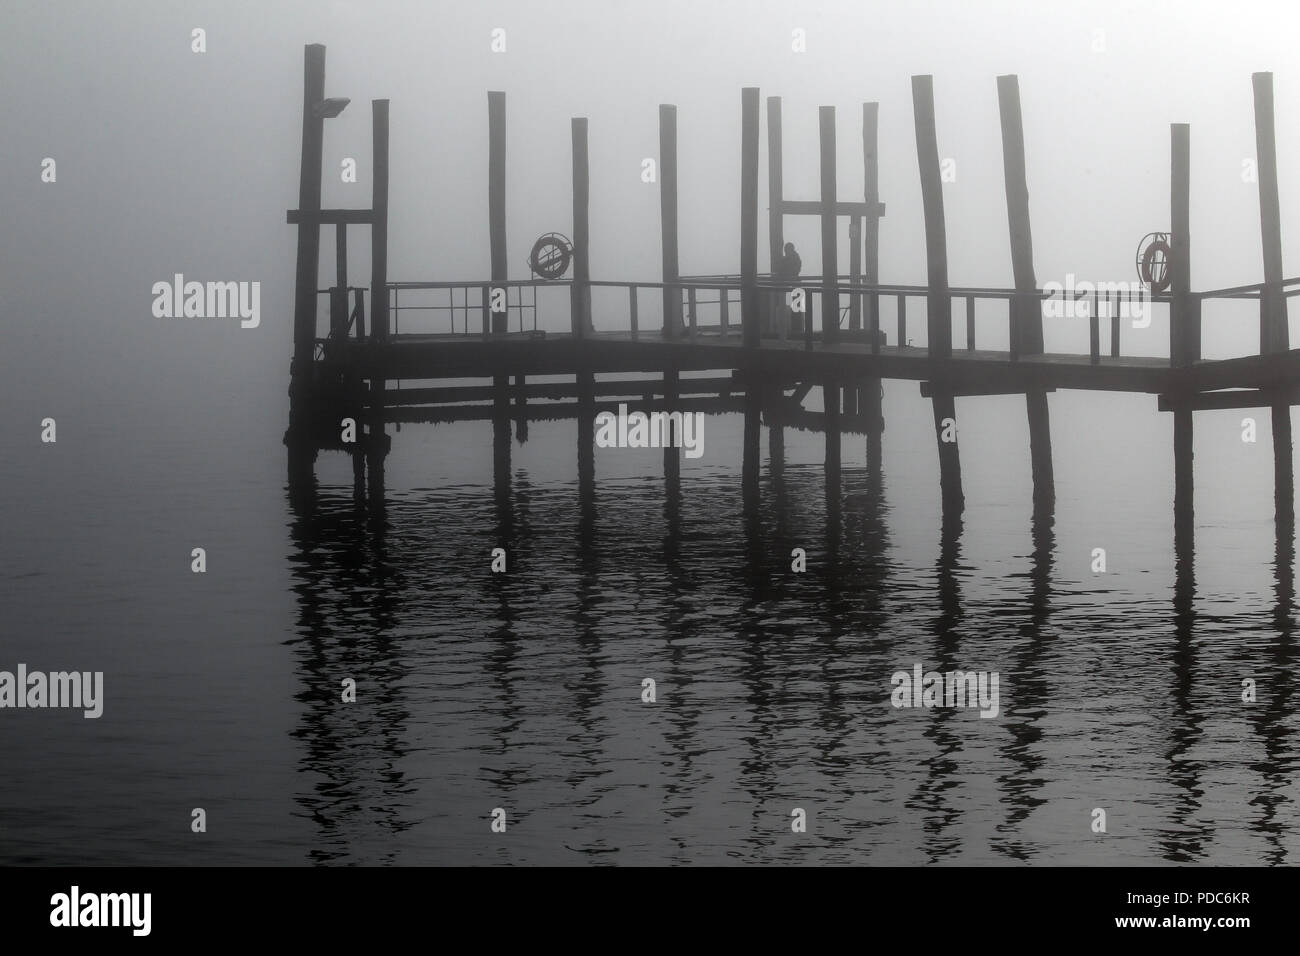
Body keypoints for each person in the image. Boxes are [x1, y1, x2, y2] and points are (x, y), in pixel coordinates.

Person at [778, 242, 802, 335]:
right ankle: (797, 329)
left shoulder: (788, 259)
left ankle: (794, 329)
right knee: (797, 308)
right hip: (795, 284)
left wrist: (785, 275)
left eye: (786, 250)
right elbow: (796, 270)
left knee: (795, 307)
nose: (785, 252)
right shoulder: (797, 259)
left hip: (790, 283)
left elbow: (783, 271)